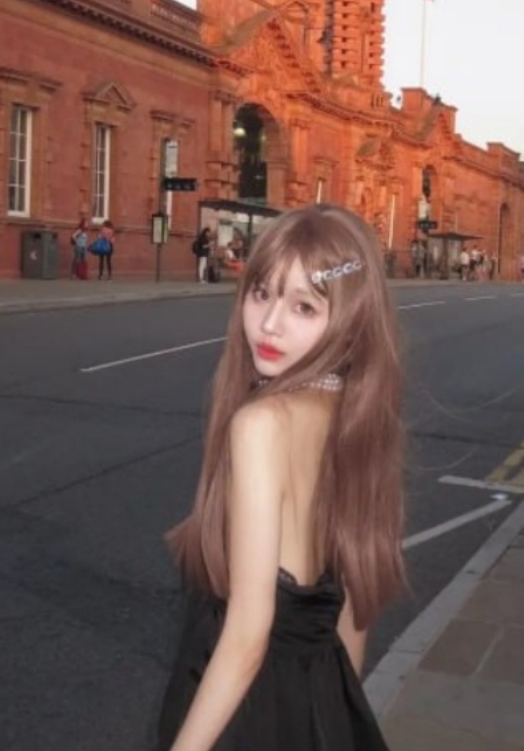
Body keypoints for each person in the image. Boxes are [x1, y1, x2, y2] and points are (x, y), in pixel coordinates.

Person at [154, 204, 405, 751]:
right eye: (261, 292)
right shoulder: (355, 417)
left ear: (350, 319)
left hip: (248, 714)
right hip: (318, 705)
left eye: (304, 306)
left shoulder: (261, 424)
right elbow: (354, 609)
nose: (269, 324)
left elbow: (247, 635)